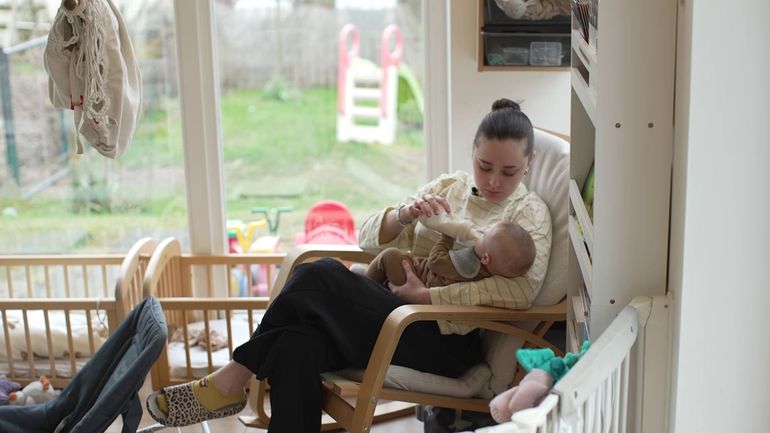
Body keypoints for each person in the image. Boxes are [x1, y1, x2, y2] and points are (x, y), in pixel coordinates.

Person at [145, 98, 553, 433]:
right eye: (485, 166)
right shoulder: (449, 187)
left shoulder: (528, 213)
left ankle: (232, 377)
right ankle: (233, 380)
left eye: (510, 171)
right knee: (296, 344)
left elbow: (521, 291)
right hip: (397, 315)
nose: (495, 181)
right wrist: (406, 215)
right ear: (473, 153)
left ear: (529, 163)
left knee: (318, 273)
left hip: (441, 336)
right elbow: (367, 238)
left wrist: (429, 295)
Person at [364, 220, 536, 288]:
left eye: (483, 236)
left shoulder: (467, 267)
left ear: (485, 258)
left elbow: (435, 262)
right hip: (419, 273)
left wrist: (447, 238)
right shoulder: (481, 273)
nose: (479, 237)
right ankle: (372, 280)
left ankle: (364, 284)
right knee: (403, 257)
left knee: (390, 256)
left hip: (416, 281)